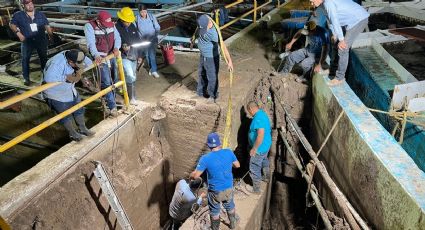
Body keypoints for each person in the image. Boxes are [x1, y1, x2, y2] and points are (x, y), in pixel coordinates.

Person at [310, 0, 369, 85]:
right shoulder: (322, 5)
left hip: (359, 19)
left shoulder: (328, 3)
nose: (312, 4)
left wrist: (341, 40)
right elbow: (329, 20)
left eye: (312, 1)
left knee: (342, 48)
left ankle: (340, 77)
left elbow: (335, 20)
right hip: (349, 21)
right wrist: (334, 34)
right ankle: (332, 70)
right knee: (335, 44)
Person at [190, 132, 240, 230]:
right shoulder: (229, 152)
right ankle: (233, 225)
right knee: (230, 205)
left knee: (214, 211)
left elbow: (196, 176)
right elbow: (237, 165)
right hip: (229, 188)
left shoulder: (205, 159)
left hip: (215, 192)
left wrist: (191, 175)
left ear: (208, 145)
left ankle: (215, 228)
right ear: (219, 143)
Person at [43, 49, 95, 141]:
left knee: (79, 108)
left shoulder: (75, 54)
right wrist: (67, 78)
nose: (78, 66)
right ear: (70, 62)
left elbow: (88, 62)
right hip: (56, 94)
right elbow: (49, 78)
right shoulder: (57, 63)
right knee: (65, 115)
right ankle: (73, 134)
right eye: (76, 64)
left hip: (70, 90)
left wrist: (80, 70)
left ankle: (83, 129)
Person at [84, 10, 121, 116]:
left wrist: (116, 48)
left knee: (115, 78)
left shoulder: (110, 24)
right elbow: (91, 43)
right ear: (99, 22)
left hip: (111, 55)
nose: (108, 26)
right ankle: (112, 106)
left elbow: (117, 37)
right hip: (100, 57)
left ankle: (112, 98)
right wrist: (96, 55)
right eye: (106, 24)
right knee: (106, 81)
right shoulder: (90, 26)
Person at [9, 0, 54, 86]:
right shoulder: (18, 15)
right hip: (27, 41)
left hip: (41, 40)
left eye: (31, 3)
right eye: (27, 4)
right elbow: (12, 24)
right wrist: (18, 33)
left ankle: (45, 77)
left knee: (44, 58)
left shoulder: (40, 14)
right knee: (25, 59)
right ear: (23, 6)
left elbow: (47, 26)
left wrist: (51, 36)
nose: (30, 6)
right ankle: (26, 78)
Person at [195, 14, 233, 103]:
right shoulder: (203, 18)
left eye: (203, 29)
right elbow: (198, 29)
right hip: (203, 55)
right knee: (201, 74)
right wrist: (193, 38)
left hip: (211, 58)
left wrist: (229, 61)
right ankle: (201, 93)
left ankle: (213, 95)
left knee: (212, 77)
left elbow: (223, 46)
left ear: (208, 24)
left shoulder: (214, 34)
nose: (202, 31)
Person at [115, 7, 143, 105]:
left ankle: (132, 95)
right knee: (130, 76)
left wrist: (140, 55)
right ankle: (131, 98)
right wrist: (122, 47)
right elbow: (115, 42)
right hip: (124, 56)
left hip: (134, 55)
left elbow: (138, 40)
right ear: (122, 19)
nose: (129, 23)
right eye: (127, 21)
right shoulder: (116, 28)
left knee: (133, 76)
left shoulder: (132, 25)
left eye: (130, 21)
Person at [246, 101, 272, 194]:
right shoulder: (262, 114)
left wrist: (254, 149)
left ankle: (256, 189)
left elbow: (260, 135)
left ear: (251, 109)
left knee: (254, 167)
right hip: (266, 145)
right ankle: (266, 177)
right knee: (264, 160)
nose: (250, 114)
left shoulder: (258, 119)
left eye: (249, 112)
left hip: (260, 148)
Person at [136, 4, 161, 78]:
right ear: (139, 12)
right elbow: (134, 29)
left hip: (152, 39)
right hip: (143, 40)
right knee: (147, 55)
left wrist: (155, 36)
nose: (143, 14)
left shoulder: (151, 16)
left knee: (152, 55)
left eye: (144, 11)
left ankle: (154, 70)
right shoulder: (136, 18)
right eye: (141, 12)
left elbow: (157, 27)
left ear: (147, 11)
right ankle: (151, 68)